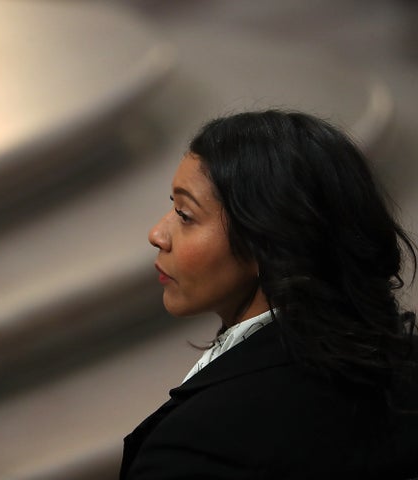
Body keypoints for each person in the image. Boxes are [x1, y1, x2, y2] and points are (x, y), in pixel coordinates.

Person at [120, 110, 418, 479]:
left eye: (185, 214)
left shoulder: (196, 448)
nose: (157, 234)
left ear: (267, 241)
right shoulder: (398, 368)